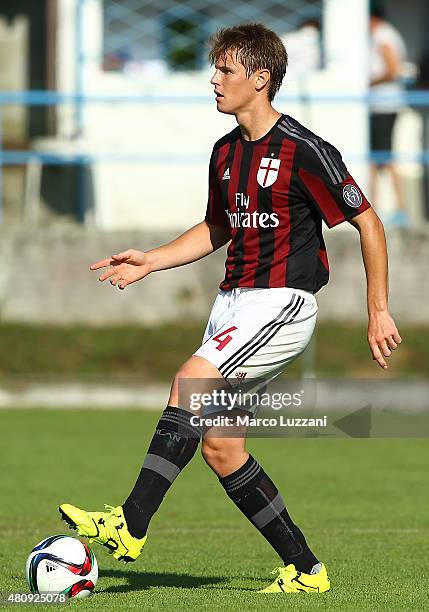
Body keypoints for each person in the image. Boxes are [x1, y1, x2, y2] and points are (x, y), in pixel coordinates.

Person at [59, 23, 401, 594]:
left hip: (282, 305)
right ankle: (307, 570)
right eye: (215, 69)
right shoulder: (223, 152)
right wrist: (152, 260)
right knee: (221, 446)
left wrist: (378, 309)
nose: (215, 80)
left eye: (226, 70)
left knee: (189, 383)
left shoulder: (305, 150)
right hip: (233, 305)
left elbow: (368, 220)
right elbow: (217, 226)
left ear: (260, 79)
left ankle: (130, 522)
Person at [369, 3, 407, 226]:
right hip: (382, 105)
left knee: (380, 156)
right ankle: (381, 206)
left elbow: (392, 69)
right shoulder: (386, 33)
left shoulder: (382, 35)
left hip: (383, 105)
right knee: (379, 155)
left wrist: (368, 81)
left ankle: (389, 207)